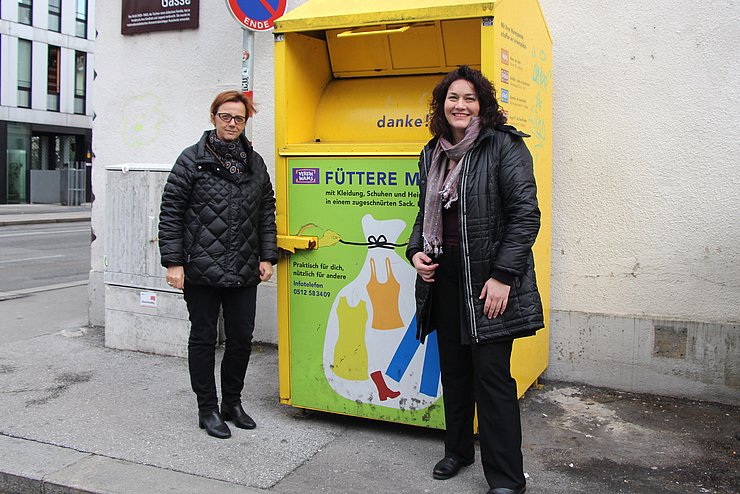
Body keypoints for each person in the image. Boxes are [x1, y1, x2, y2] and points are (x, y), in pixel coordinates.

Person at [406, 66, 544, 494]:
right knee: (455, 372)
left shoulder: (504, 146)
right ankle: (458, 450)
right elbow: (422, 213)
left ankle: (506, 478)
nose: (460, 105)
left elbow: (525, 216)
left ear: (481, 104)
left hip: (488, 284)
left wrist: (504, 276)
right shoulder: (434, 152)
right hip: (444, 279)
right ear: (441, 104)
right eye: (452, 98)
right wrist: (415, 253)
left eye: (468, 98)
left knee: (492, 377)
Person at [158, 90, 277, 439]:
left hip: (243, 267)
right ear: (213, 118)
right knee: (204, 338)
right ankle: (207, 409)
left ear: (245, 122)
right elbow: (171, 213)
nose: (232, 123)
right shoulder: (192, 160)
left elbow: (266, 210)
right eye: (226, 116)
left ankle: (232, 403)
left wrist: (267, 256)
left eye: (239, 118)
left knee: (241, 338)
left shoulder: (254, 163)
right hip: (200, 268)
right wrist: (174, 262)